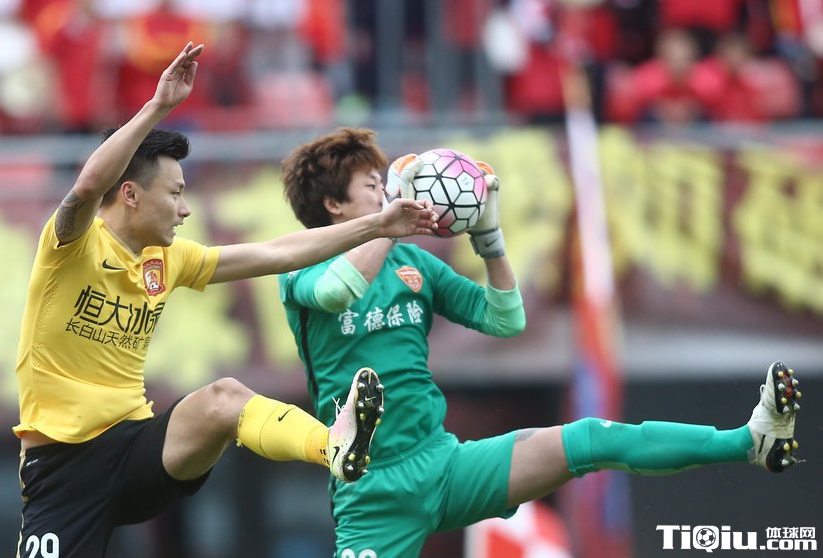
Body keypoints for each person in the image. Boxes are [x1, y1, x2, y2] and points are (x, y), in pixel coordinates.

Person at [277, 128, 804, 557]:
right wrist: (387, 227)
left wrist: (490, 240)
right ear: (333, 203)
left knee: (593, 438)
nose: (385, 194)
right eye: (372, 186)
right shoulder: (301, 263)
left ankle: (749, 442)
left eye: (382, 183)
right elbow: (337, 291)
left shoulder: (414, 264)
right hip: (373, 492)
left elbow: (505, 319)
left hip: (446, 464)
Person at [12, 42, 438, 558]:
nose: (185, 209)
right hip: (62, 471)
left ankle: (333, 445)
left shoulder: (169, 259)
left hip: (138, 450)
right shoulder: (71, 245)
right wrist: (157, 107)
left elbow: (277, 253)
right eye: (175, 193)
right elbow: (86, 187)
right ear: (130, 195)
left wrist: (377, 225)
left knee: (223, 398)